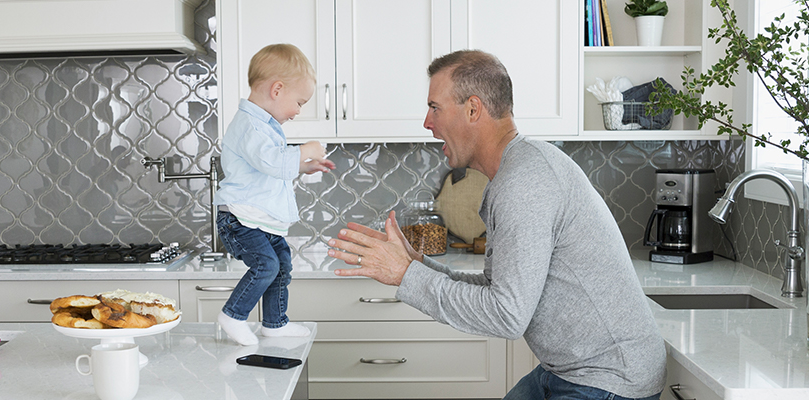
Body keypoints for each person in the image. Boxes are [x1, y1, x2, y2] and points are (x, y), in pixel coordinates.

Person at [326, 50, 666, 400]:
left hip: (609, 380)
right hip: (573, 370)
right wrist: (417, 264)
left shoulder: (524, 182)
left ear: (473, 109)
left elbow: (506, 315)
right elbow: (497, 287)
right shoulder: (517, 171)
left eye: (435, 107)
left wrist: (405, 275)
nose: (427, 122)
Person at [214, 43, 336, 346]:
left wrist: (304, 167)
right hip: (240, 220)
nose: (298, 110)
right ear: (277, 89)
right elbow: (272, 160)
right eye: (300, 102)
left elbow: (272, 167)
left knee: (281, 263)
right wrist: (306, 149)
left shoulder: (263, 126)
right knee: (266, 265)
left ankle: (274, 323)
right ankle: (233, 315)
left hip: (258, 218)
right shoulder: (250, 126)